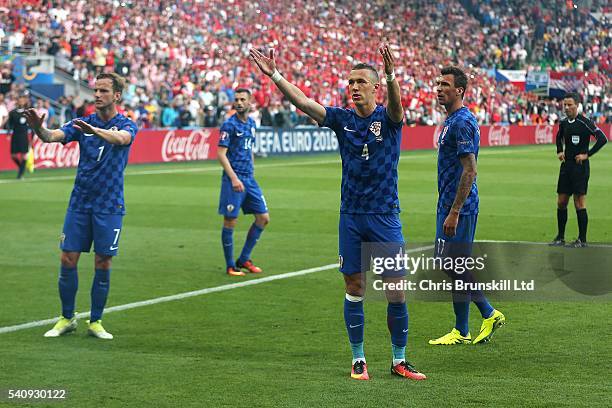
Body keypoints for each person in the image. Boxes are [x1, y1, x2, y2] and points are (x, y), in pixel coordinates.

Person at [250, 45, 426, 381]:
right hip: (351, 216)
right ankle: (358, 359)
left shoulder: (388, 120)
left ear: (376, 88)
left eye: (361, 81)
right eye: (350, 82)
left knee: (396, 290)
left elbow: (399, 107)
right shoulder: (341, 119)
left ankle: (399, 360)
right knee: (354, 286)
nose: (354, 87)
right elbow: (303, 103)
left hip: (385, 216)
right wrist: (274, 75)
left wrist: (390, 75)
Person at [24, 73, 138, 340]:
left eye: (103, 91)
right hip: (80, 201)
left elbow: (122, 139)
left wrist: (95, 132)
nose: (97, 95)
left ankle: (96, 321)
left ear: (117, 96)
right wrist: (38, 129)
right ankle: (66, 318)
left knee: (103, 261)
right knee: (67, 258)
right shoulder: (82, 122)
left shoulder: (127, 124)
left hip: (109, 204)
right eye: (95, 90)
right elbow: (52, 136)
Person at [428, 66, 505, 346]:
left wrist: (455, 210)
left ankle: (489, 312)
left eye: (444, 84)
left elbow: (469, 170)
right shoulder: (452, 120)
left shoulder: (462, 122)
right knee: (449, 263)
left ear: (459, 90)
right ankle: (462, 330)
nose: (438, 88)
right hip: (447, 204)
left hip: (458, 208)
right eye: (437, 83)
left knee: (452, 263)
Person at [217, 88, 269, 277]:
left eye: (242, 99)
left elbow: (250, 149)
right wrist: (234, 178)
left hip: (249, 178)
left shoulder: (252, 124)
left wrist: (252, 170)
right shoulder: (229, 125)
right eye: (236, 99)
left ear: (250, 102)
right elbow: (221, 154)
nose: (239, 102)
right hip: (234, 179)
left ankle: (244, 258)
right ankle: (231, 265)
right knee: (230, 221)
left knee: (263, 218)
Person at [550, 92, 607, 248]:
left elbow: (603, 139)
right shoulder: (563, 123)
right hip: (566, 167)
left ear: (577, 105)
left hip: (580, 168)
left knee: (579, 202)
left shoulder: (585, 122)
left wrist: (587, 155)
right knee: (561, 202)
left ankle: (582, 239)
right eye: (565, 105)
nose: (566, 107)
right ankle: (560, 237)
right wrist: (559, 151)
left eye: (569, 105)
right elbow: (558, 137)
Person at [6, 94, 32, 179]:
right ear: (17, 101)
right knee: (13, 155)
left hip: (24, 136)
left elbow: (32, 124)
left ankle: (20, 174)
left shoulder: (27, 112)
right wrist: (8, 133)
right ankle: (21, 167)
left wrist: (32, 136)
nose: (21, 101)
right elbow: (9, 124)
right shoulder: (12, 112)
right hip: (15, 135)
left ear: (25, 102)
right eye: (20, 100)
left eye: (23, 100)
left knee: (24, 155)